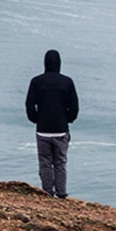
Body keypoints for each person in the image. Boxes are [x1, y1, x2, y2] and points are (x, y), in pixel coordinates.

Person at [25, 49, 79, 198]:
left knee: (45, 162)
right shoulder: (67, 82)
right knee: (60, 162)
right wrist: (68, 119)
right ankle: (61, 193)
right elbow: (74, 106)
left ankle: (47, 192)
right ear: (59, 63)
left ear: (45, 63)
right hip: (61, 129)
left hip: (43, 129)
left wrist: (35, 119)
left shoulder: (36, 81)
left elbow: (30, 104)